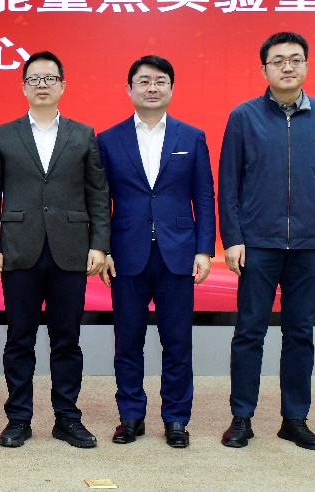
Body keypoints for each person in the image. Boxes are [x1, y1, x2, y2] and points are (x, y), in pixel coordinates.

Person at [217, 31, 315, 451]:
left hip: (310, 243)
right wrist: (233, 238)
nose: (287, 67)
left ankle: (295, 418)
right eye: (278, 60)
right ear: (265, 69)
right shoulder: (244, 116)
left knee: (300, 333)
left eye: (295, 59)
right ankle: (242, 417)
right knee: (249, 331)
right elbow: (229, 183)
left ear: (306, 65)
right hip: (258, 243)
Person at [0, 51, 112, 449]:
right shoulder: (4, 134)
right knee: (19, 338)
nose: (42, 85)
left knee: (66, 339)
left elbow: (98, 194)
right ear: (23, 87)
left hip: (70, 249)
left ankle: (67, 418)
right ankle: (18, 418)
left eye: (50, 78)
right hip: (18, 248)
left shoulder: (82, 134)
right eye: (34, 79)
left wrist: (99, 244)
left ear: (62, 86)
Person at [97, 55, 215, 449]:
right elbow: (100, 200)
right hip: (125, 253)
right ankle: (130, 416)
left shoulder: (191, 136)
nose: (152, 88)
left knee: (177, 342)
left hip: (178, 252)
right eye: (144, 81)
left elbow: (203, 195)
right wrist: (103, 247)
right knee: (128, 341)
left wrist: (204, 249)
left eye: (160, 81)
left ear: (171, 88)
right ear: (129, 89)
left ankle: (176, 418)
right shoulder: (108, 139)